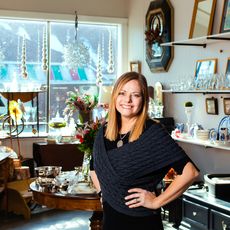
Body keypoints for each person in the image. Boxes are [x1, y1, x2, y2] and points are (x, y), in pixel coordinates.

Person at [90, 72, 199, 230]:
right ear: (114, 96)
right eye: (122, 93)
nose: (127, 100)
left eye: (135, 95)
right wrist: (104, 193)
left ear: (144, 100)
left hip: (141, 223)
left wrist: (156, 201)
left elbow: (191, 172)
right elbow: (95, 167)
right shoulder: (105, 130)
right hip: (111, 221)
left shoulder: (153, 133)